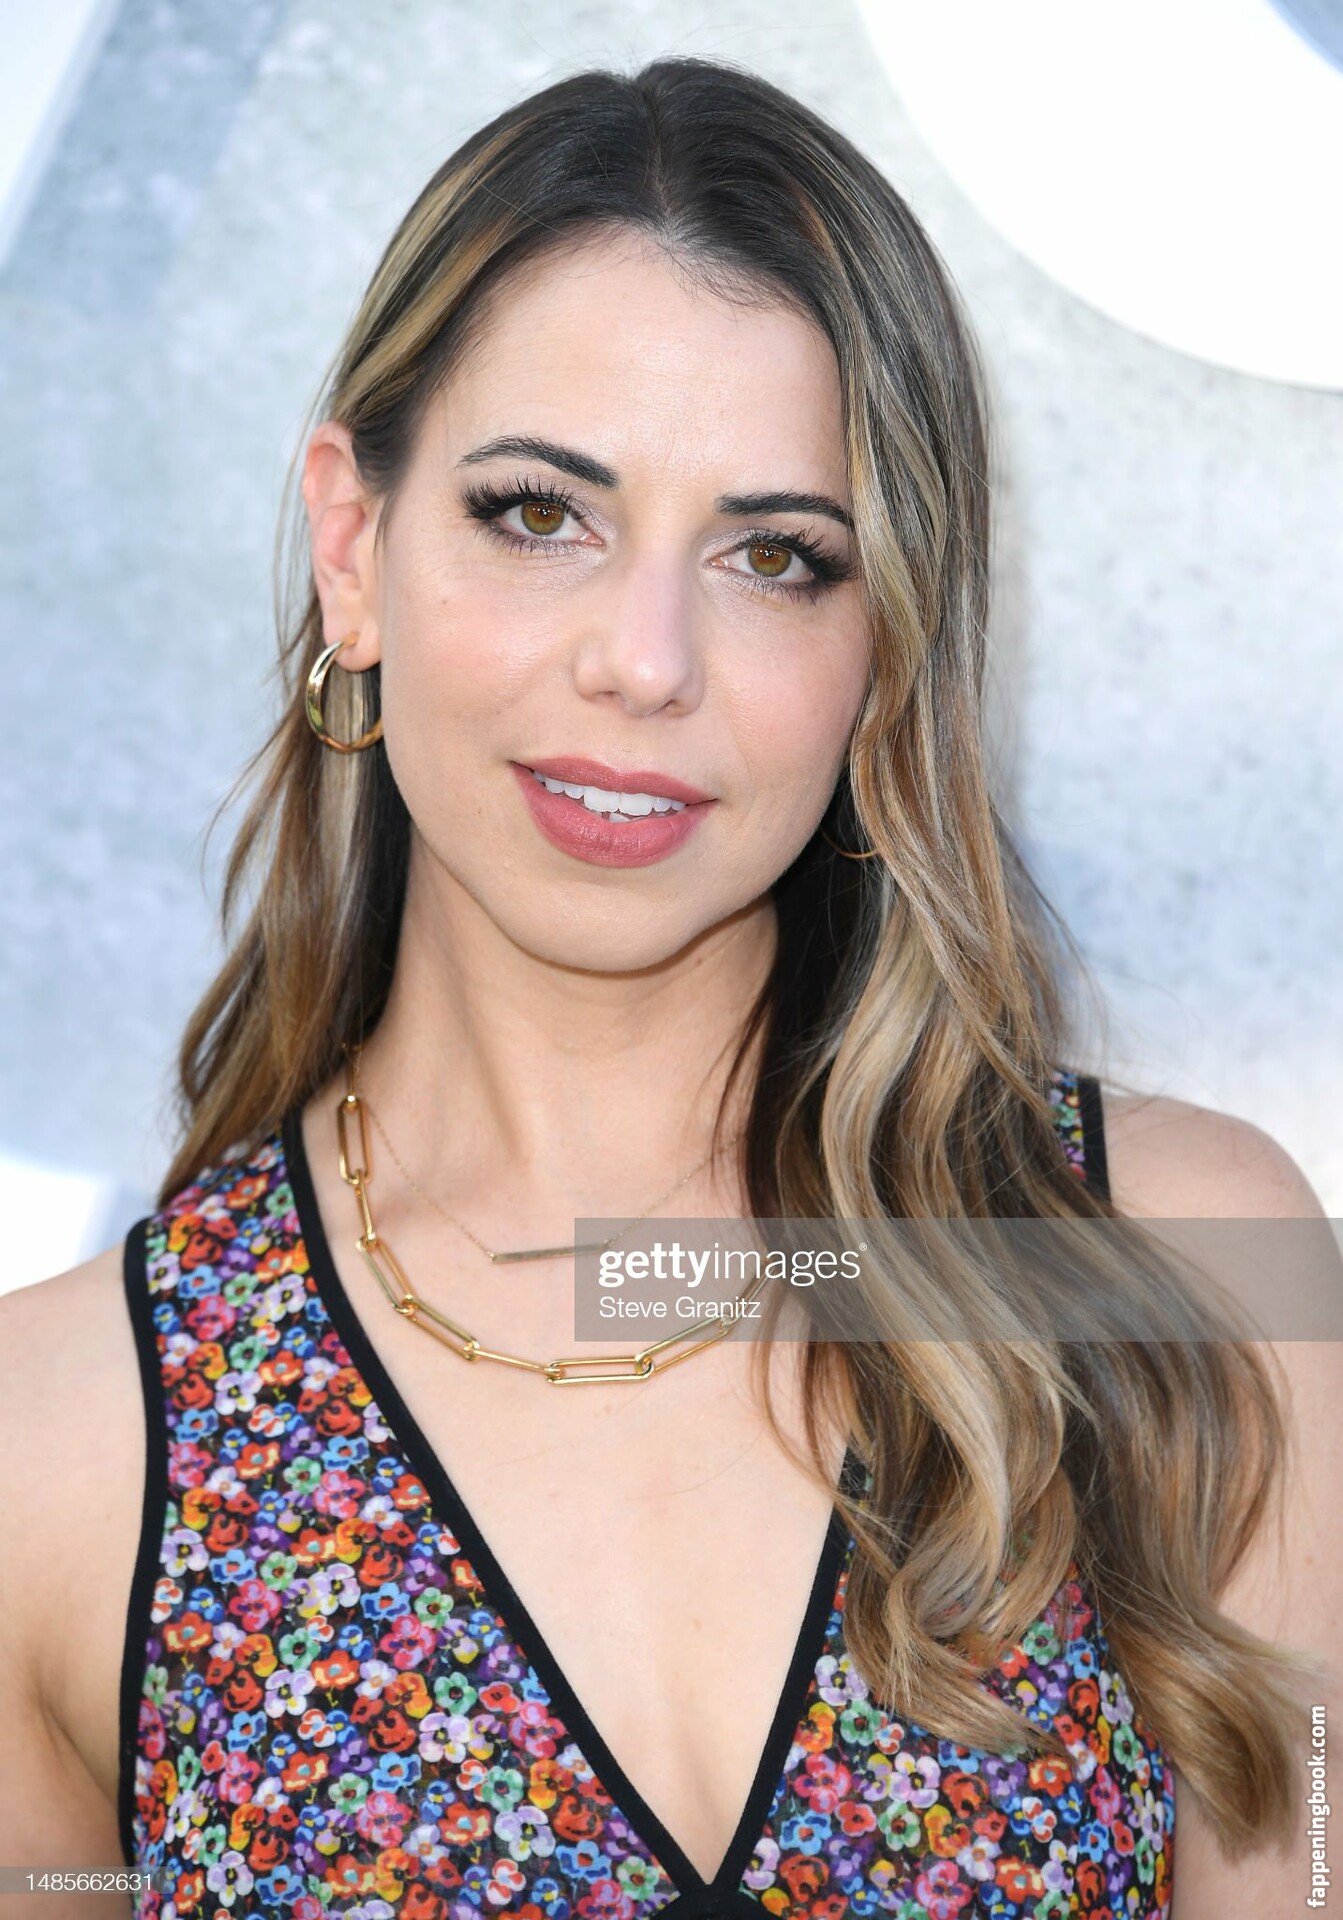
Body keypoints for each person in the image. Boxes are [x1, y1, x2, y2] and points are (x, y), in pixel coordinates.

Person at [1, 54, 1338, 1920]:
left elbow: (1314, 1841)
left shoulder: (1193, 1274)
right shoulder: (54, 1453)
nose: (646, 660)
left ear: (887, 651)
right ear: (353, 548)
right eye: (538, 514)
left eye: (775, 557)